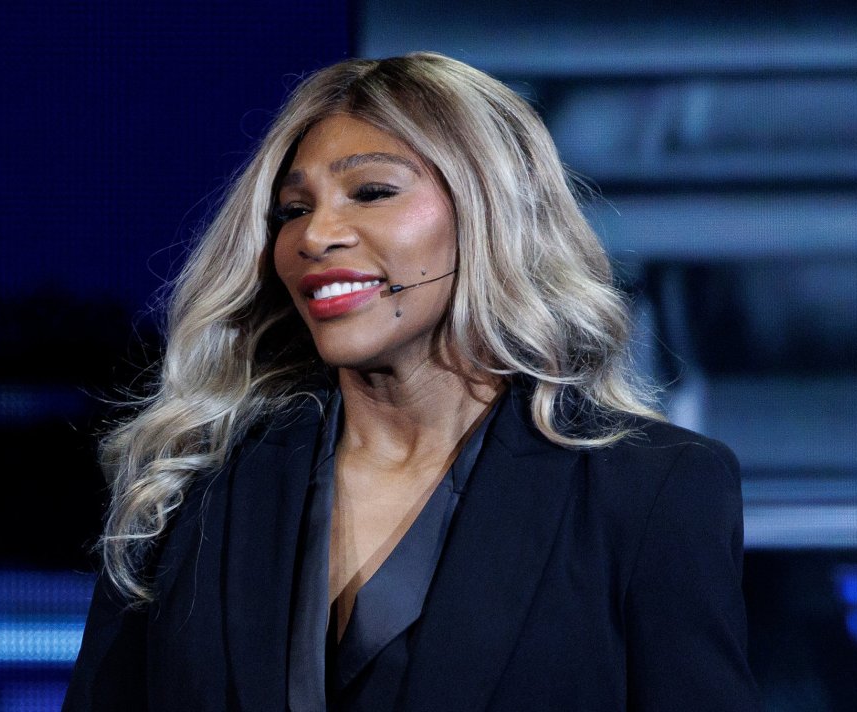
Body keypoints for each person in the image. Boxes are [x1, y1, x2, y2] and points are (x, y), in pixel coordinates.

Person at [63, 51, 760, 711]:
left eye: (371, 192)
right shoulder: (193, 485)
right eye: (293, 210)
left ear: (489, 212)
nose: (315, 236)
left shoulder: (651, 491)